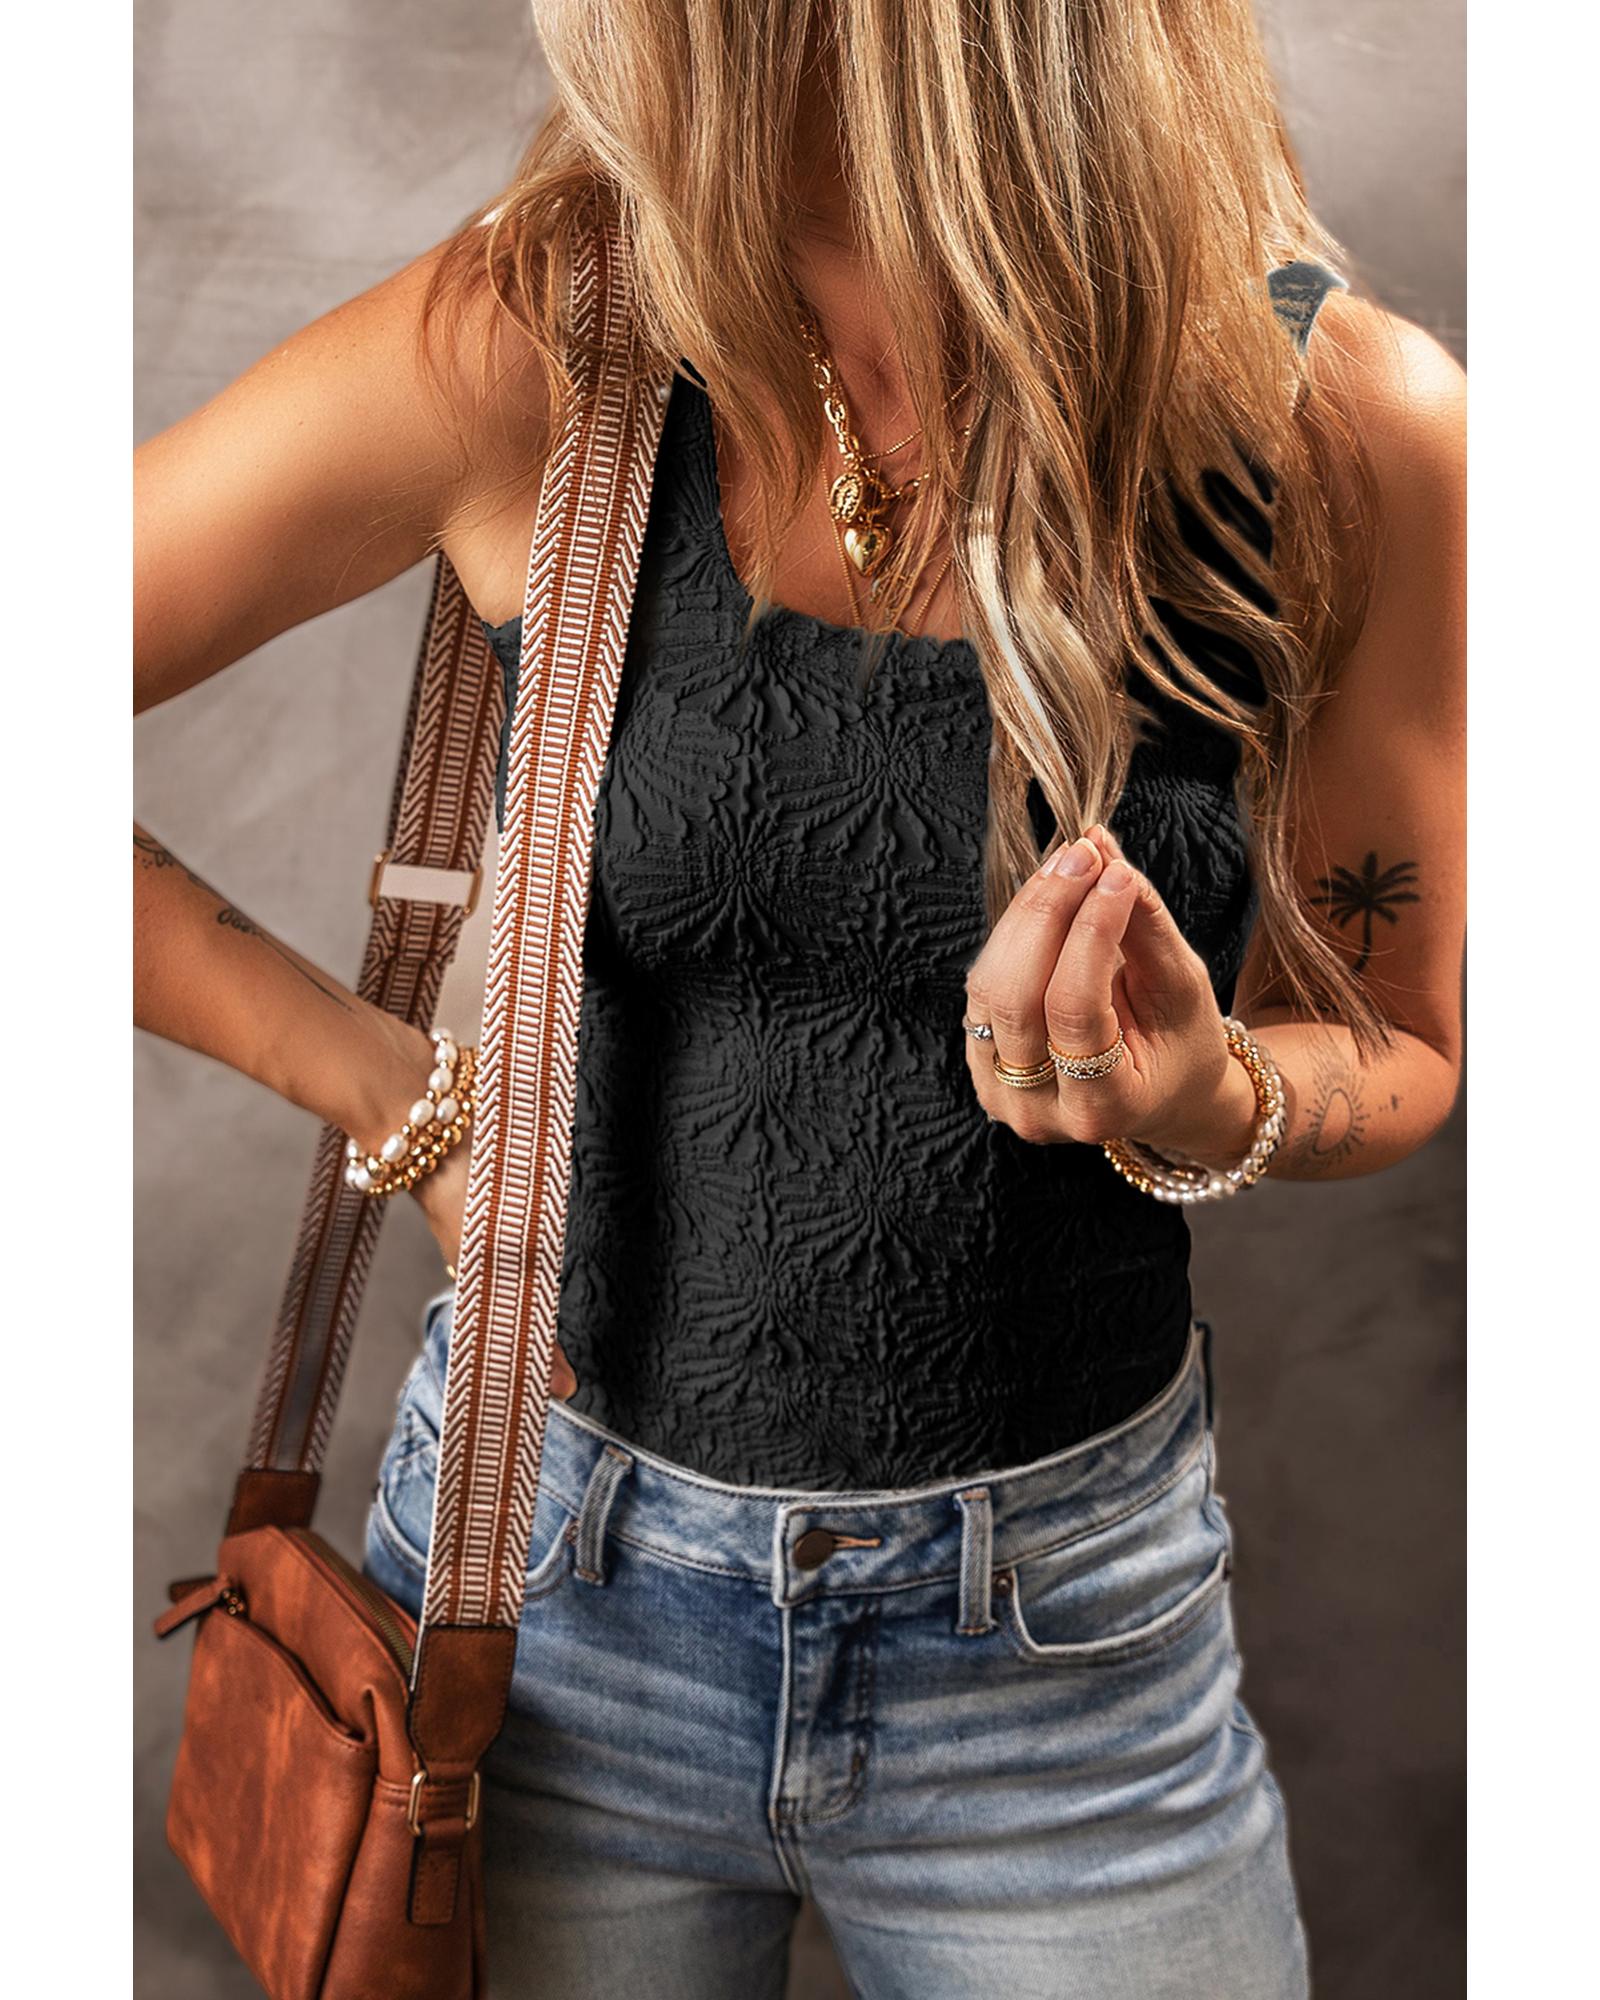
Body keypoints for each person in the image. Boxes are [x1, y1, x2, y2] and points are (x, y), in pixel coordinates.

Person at [135, 3, 1465, 1994]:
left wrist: (1203, 1097)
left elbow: (1397, 1043)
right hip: (546, 1613)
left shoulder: (1339, 419)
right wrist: (394, 1091)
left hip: (1064, 1663)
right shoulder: (545, 342)